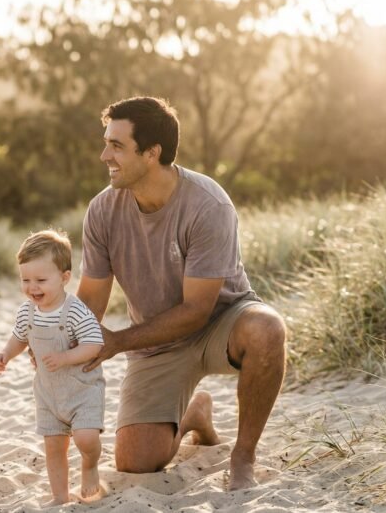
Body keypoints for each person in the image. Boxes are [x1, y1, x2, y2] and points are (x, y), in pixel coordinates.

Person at [76, 96, 287, 491]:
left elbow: (196, 311)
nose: (105, 155)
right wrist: (58, 334)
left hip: (219, 322)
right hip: (156, 339)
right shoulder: (102, 211)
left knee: (268, 329)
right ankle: (194, 414)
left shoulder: (208, 205)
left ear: (152, 153)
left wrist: (117, 341)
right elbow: (90, 300)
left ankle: (243, 455)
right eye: (106, 143)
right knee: (136, 461)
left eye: (117, 146)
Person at [0, 229, 107, 505]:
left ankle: (90, 466)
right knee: (54, 448)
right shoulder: (27, 311)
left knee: (85, 438)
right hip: (48, 395)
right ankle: (60, 496)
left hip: (82, 390)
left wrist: (66, 357)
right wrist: (6, 354)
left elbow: (95, 344)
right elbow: (19, 338)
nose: (33, 288)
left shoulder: (75, 310)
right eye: (26, 280)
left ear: (64, 278)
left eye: (41, 280)